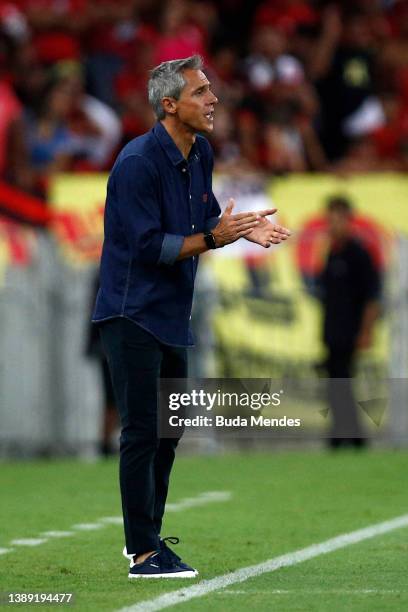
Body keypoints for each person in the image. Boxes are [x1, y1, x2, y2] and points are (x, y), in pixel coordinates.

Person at [92, 54, 291, 579]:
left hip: (171, 314)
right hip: (131, 312)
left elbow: (198, 222)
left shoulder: (199, 151)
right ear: (169, 105)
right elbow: (150, 245)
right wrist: (213, 237)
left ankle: (150, 538)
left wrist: (236, 228)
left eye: (210, 90)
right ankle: (142, 552)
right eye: (201, 92)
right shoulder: (136, 163)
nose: (213, 100)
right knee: (141, 430)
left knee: (169, 429)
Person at [317, 196, 381, 448]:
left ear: (348, 221)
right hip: (332, 331)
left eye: (337, 220)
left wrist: (366, 330)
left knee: (342, 382)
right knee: (336, 383)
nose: (333, 225)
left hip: (350, 332)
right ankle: (345, 434)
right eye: (329, 220)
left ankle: (349, 436)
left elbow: (372, 297)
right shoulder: (331, 253)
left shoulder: (358, 254)